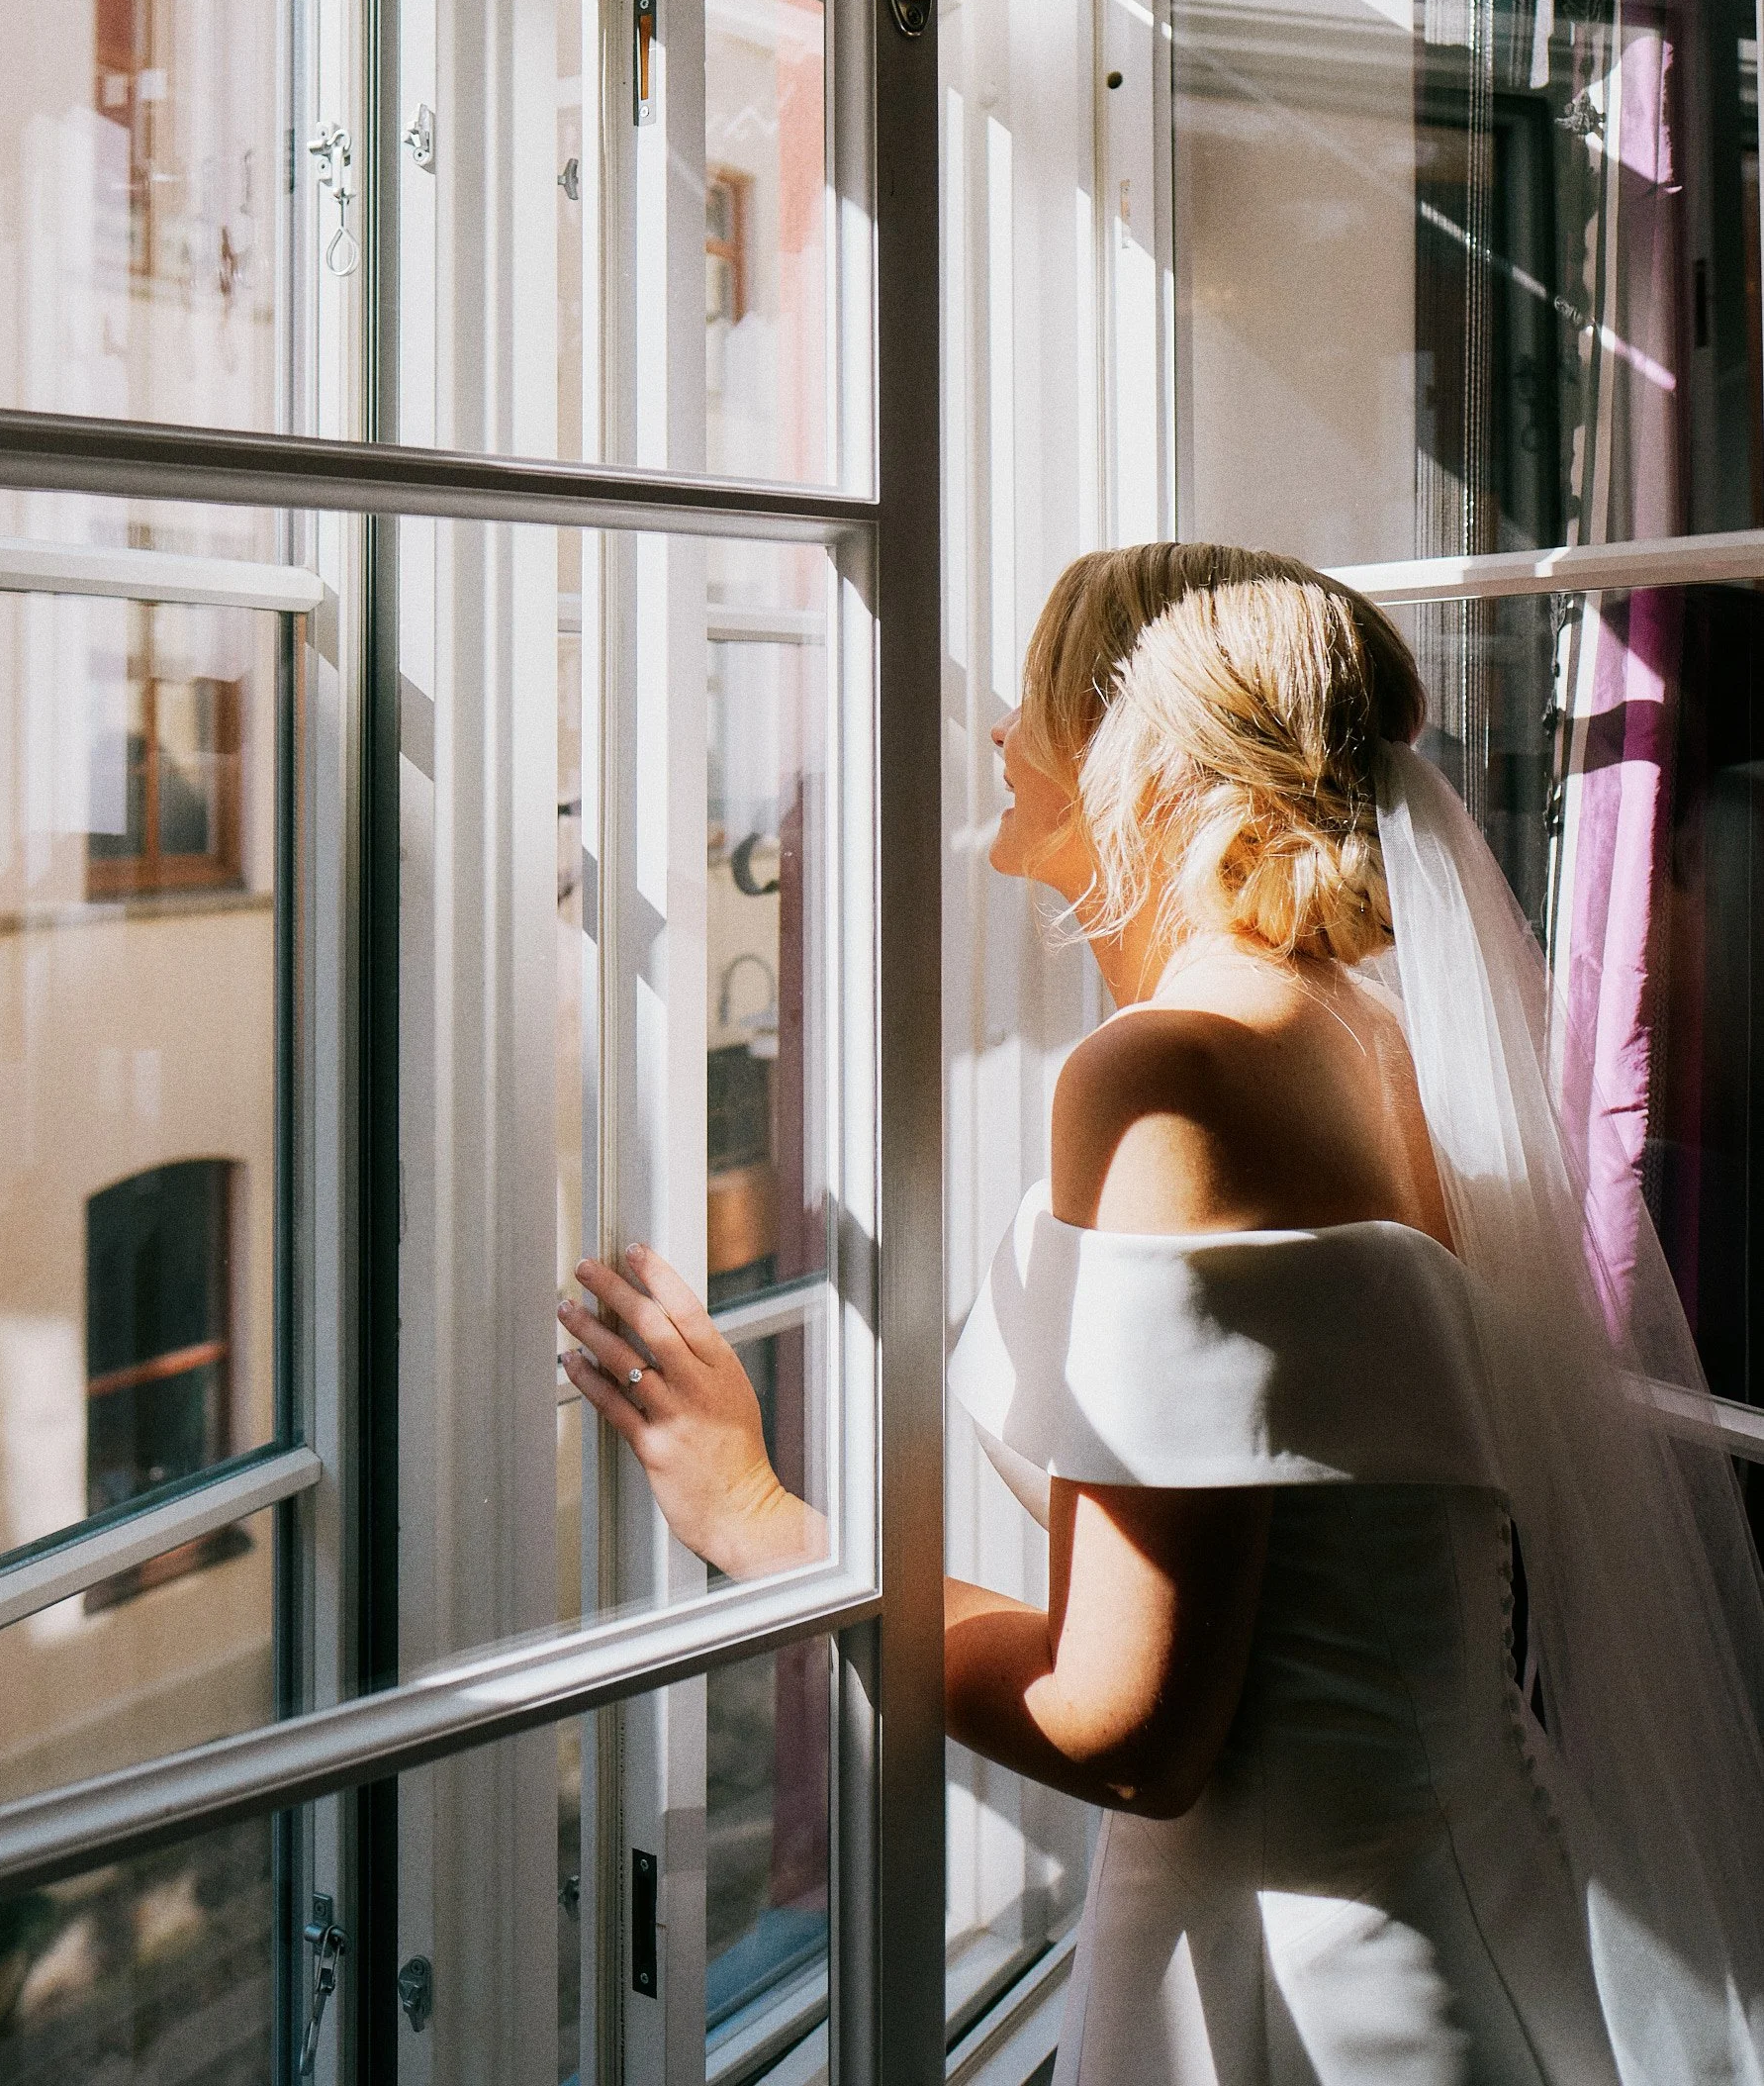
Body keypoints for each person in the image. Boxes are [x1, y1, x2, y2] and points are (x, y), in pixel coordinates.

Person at [560, 543, 1764, 2084]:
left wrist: (757, 1518)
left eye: (1037, 691)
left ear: (1149, 755)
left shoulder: (1172, 1073)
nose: (999, 730)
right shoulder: (1358, 1029)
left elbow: (1119, 1727)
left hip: (1305, 1984)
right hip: (1472, 1890)